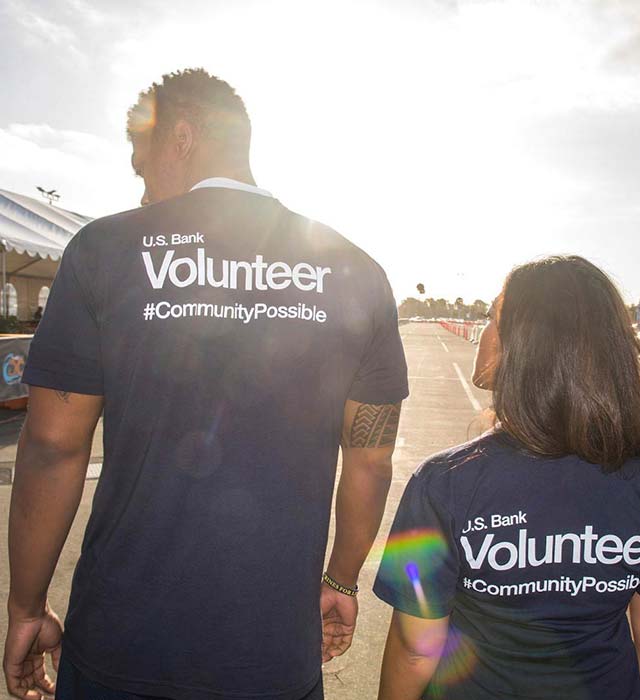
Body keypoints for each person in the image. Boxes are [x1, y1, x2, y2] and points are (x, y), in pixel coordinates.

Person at [3, 68, 409, 700]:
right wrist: (342, 580)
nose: (141, 193)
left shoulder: (105, 251)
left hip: (121, 644)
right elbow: (371, 456)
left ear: (183, 137)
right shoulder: (355, 270)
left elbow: (54, 444)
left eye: (142, 168)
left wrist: (27, 606)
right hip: (271, 652)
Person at [374, 256, 640, 700]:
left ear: (524, 344)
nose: (485, 331)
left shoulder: (443, 483)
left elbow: (415, 650)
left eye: (492, 318)